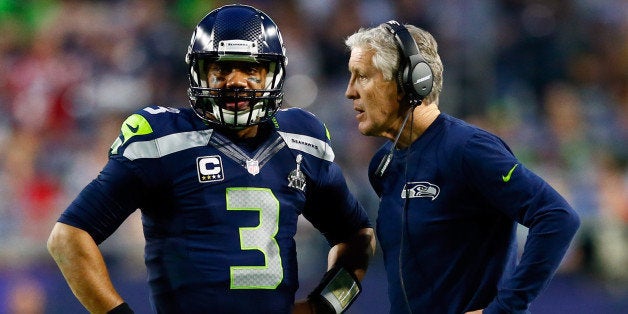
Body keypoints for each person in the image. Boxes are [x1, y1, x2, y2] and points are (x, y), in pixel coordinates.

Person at [47, 4, 375, 314]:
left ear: (272, 74)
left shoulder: (303, 139)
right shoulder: (164, 138)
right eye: (221, 68)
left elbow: (358, 238)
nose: (235, 81)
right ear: (198, 72)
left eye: (250, 68)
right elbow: (69, 237)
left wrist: (326, 305)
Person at [344, 20, 580, 314]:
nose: (350, 91)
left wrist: (503, 310)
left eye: (362, 76)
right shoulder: (383, 165)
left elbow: (557, 217)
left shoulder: (468, 149)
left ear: (409, 82)